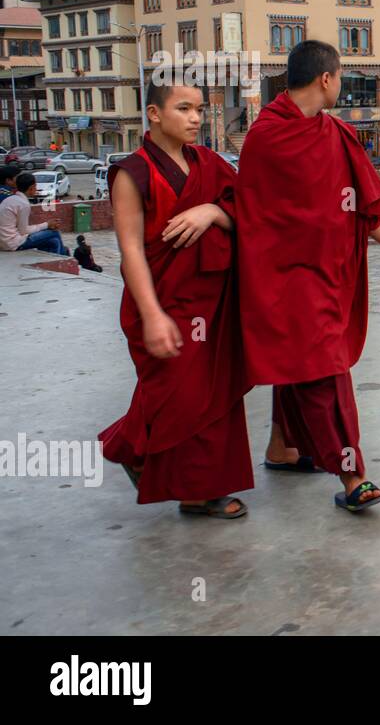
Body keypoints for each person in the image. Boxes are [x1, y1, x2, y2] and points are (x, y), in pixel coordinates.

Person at [237, 40, 380, 515]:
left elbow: (354, 202)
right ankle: (353, 474)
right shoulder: (267, 137)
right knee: (326, 369)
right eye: (341, 76)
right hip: (287, 278)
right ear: (326, 79)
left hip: (329, 274)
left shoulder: (332, 132)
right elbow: (250, 210)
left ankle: (282, 449)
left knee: (296, 363)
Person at [98, 81, 252, 519]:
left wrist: (214, 212)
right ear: (153, 114)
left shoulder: (208, 162)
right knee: (176, 394)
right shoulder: (133, 172)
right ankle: (136, 451)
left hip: (212, 299)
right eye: (183, 108)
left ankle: (196, 489)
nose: (195, 119)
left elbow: (248, 204)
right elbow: (130, 251)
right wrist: (152, 315)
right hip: (165, 300)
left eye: (199, 109)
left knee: (212, 394)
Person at [0, 172, 69, 255]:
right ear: (32, 188)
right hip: (13, 243)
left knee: (54, 242)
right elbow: (24, 231)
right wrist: (46, 225)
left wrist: (46, 225)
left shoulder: (10, 199)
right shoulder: (23, 204)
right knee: (54, 233)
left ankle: (58, 261)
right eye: (36, 186)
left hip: (4, 242)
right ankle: (65, 257)